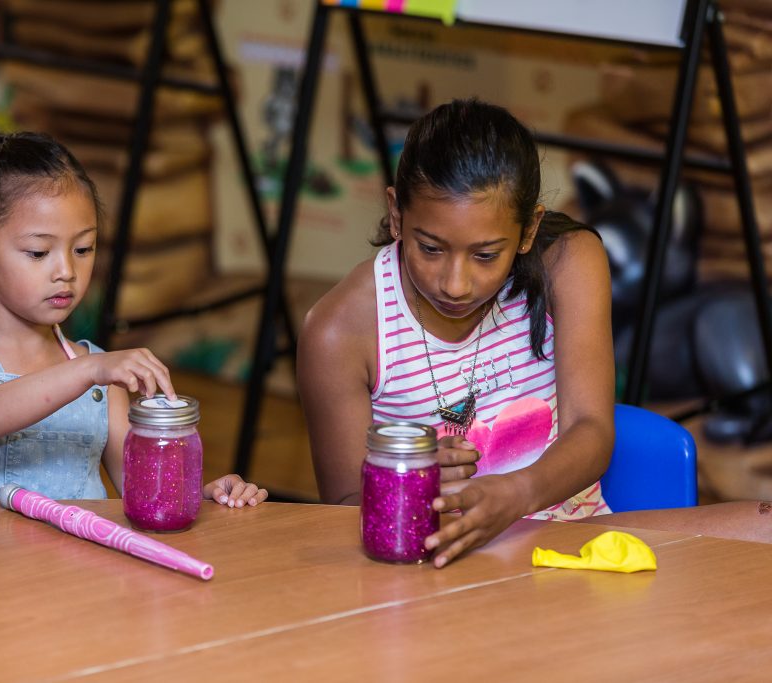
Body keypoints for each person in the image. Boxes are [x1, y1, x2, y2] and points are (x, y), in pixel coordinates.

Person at [298, 98, 769, 568]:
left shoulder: (570, 262)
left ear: (528, 231)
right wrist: (411, 482)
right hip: (441, 559)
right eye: (430, 248)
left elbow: (591, 431)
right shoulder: (339, 331)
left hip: (576, 534)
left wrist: (518, 493)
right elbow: (343, 508)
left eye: (485, 255)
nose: (455, 284)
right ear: (397, 214)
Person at [0, 127, 267, 508]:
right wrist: (89, 370)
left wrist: (204, 497)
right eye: (37, 252)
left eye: (83, 248)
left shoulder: (103, 383)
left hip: (69, 566)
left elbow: (146, 497)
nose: (66, 270)